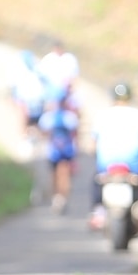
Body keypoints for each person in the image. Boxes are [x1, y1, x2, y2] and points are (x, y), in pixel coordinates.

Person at [89, 82, 138, 231]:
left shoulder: (102, 115)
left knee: (96, 183)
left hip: (106, 165)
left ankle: (98, 212)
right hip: (132, 166)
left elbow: (92, 144)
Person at [36, 85, 80, 214]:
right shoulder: (69, 117)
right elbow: (75, 133)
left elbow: (43, 133)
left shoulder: (48, 117)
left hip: (54, 151)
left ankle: (57, 197)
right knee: (63, 174)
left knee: (55, 174)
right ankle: (61, 198)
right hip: (66, 150)